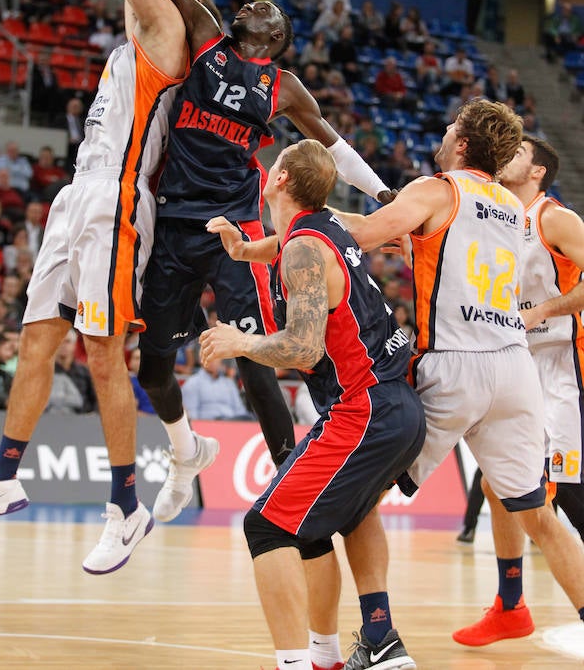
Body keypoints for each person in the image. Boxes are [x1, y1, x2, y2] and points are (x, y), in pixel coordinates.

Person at [126, 0, 396, 526]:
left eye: (267, 9)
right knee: (155, 371)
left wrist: (381, 190)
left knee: (258, 356)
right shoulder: (203, 32)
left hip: (236, 230)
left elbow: (335, 147)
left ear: (277, 40)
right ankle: (184, 452)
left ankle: (286, 477)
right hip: (173, 224)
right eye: (251, 2)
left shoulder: (285, 88)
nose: (255, 5)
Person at [0, 0, 191, 576]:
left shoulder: (167, 36)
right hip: (77, 198)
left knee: (101, 353)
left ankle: (124, 505)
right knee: (37, 335)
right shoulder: (130, 42)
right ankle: (3, 476)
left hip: (118, 203)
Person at [335, 100, 584, 644]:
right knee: (539, 515)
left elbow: (363, 237)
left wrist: (293, 228)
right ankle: (515, 606)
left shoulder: (437, 187)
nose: (443, 135)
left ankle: (378, 637)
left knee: (357, 501)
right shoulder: (510, 207)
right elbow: (399, 231)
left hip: (456, 367)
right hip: (515, 368)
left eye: (450, 130)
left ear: (463, 145)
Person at [200, 139, 425, 670]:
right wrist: (242, 250)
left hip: (364, 410)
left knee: (266, 527)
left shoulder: (304, 249)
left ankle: (297, 664)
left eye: (274, 165)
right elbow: (285, 246)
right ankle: (374, 643)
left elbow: (303, 347)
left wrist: (240, 342)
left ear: (278, 181)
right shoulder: (323, 228)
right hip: (395, 406)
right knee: (340, 518)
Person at [453, 134, 584, 645]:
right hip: (515, 363)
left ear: (538, 172)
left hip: (561, 366)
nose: (508, 154)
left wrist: (543, 310)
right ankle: (510, 607)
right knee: (496, 483)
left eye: (521, 152)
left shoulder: (554, 217)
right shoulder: (498, 214)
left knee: (562, 491)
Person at [182, 358, 253, 420]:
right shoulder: (192, 383)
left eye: (216, 357)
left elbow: (240, 410)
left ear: (221, 360)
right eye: (209, 357)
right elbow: (192, 416)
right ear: (201, 360)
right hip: (209, 426)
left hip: (233, 423)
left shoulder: (229, 383)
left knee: (252, 418)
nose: (214, 361)